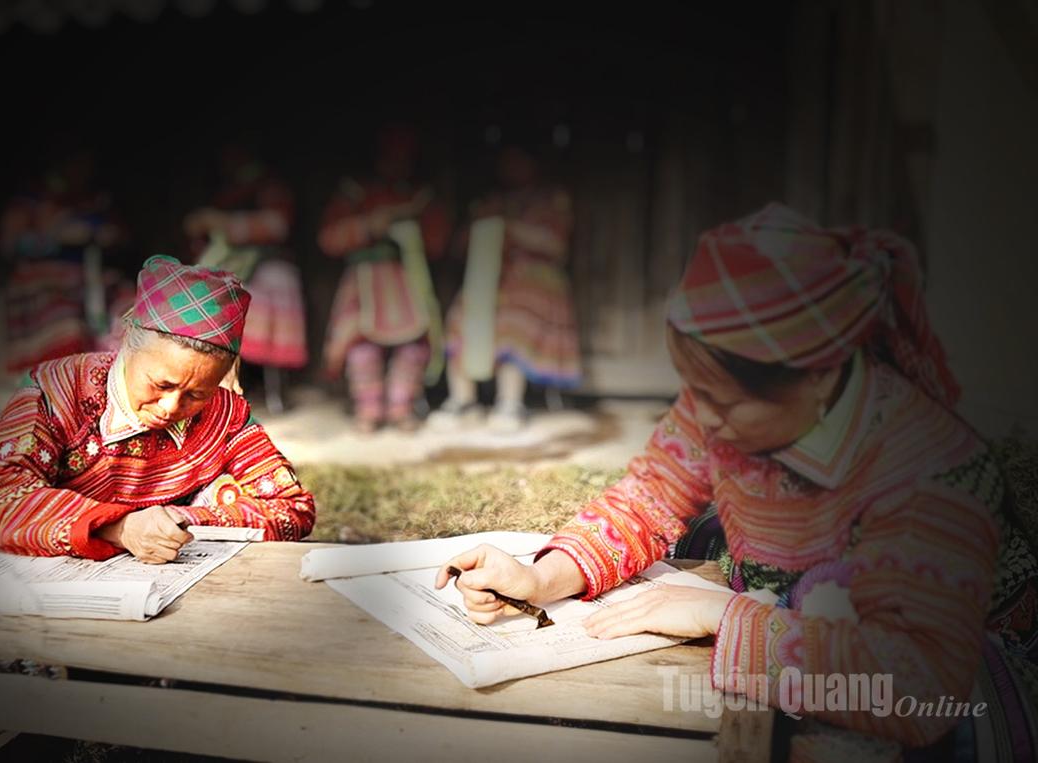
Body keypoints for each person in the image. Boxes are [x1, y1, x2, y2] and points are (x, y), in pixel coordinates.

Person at [436, 203, 1038, 761]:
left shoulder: (931, 473)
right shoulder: (718, 409)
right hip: (798, 610)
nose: (703, 421)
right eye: (695, 394)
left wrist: (724, 618)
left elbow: (916, 683)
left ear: (821, 377)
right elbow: (648, 497)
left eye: (723, 402)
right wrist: (540, 577)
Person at [0, 254, 315, 576]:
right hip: (52, 549)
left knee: (222, 492)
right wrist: (118, 526)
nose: (171, 408)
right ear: (127, 345)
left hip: (147, 568)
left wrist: (186, 518)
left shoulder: (225, 414)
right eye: (161, 385)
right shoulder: (58, 389)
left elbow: (292, 509)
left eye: (195, 393)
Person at [431, 144, 580, 432]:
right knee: (460, 317)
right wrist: (481, 221)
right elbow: (461, 246)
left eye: (518, 160)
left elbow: (556, 245)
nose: (511, 167)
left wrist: (508, 227)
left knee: (513, 319)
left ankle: (509, 403)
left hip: (534, 280)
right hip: (488, 278)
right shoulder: (492, 201)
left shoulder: (552, 199)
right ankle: (464, 402)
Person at [319, 125, 450, 433]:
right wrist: (372, 224)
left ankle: (401, 408)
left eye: (403, 157)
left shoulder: (421, 198)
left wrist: (410, 227)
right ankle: (369, 410)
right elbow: (329, 238)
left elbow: (437, 241)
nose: (396, 162)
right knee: (360, 346)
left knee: (414, 346)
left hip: (406, 280)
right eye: (390, 156)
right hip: (362, 283)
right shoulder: (354, 193)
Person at [184, 144, 308, 412]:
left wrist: (222, 223)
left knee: (274, 286)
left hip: (268, 268)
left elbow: (277, 225)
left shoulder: (270, 187)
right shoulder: (224, 191)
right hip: (232, 271)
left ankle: (276, 392)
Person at [0, 150, 132, 373]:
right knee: (66, 324)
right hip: (45, 277)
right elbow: (9, 243)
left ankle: (113, 366)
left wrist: (108, 235)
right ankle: (61, 371)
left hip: (93, 276)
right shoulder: (34, 199)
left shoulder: (95, 199)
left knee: (128, 304)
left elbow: (122, 235)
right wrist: (56, 238)